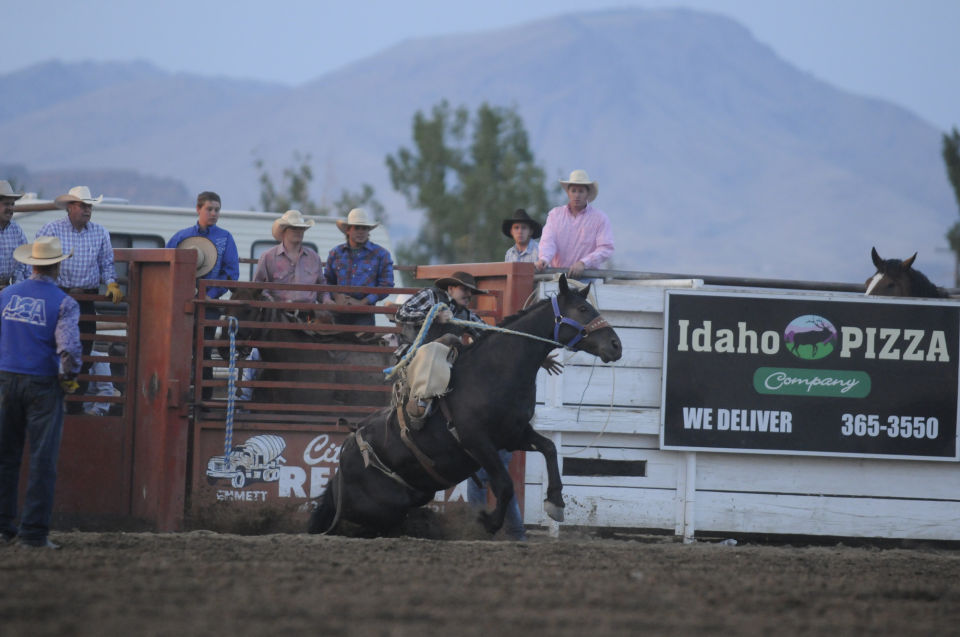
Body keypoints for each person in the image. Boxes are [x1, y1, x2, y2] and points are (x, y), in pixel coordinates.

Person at [0, 236, 81, 549]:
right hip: (43, 384)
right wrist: (69, 377)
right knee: (42, 459)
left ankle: (3, 527)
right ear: (57, 265)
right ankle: (33, 534)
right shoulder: (64, 302)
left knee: (5, 455)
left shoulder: (6, 295)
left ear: (31, 264)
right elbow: (69, 347)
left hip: (5, 379)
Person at [37, 186, 123, 411]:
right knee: (55, 347)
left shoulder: (99, 232)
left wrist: (111, 282)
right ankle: (55, 398)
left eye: (89, 206)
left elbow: (106, 262)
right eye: (83, 206)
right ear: (70, 207)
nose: (87, 210)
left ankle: (75, 401)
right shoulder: (51, 229)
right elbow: (37, 262)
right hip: (58, 294)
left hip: (85, 297)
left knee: (83, 349)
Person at [166, 191, 239, 400]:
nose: (214, 213)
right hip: (182, 303)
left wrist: (211, 293)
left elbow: (231, 273)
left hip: (210, 306)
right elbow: (167, 265)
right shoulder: (182, 237)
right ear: (198, 209)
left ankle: (203, 400)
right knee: (178, 349)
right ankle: (177, 397)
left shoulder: (225, 238)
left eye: (217, 209)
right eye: (209, 209)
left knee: (203, 352)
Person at [535, 169, 615, 278]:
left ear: (587, 194)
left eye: (581, 191)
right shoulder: (555, 215)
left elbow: (606, 248)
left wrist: (584, 263)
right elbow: (548, 241)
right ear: (568, 193)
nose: (577, 195)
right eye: (573, 190)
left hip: (587, 279)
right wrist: (544, 258)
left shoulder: (600, 219)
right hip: (558, 277)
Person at [323, 208, 394, 326]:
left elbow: (386, 285)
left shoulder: (381, 254)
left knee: (363, 340)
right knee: (335, 341)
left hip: (364, 312)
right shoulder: (335, 253)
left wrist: (363, 302)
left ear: (368, 231)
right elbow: (327, 280)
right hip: (338, 310)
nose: (361, 232)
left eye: (364, 228)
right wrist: (336, 296)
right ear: (348, 231)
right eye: (356, 228)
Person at [394, 271, 486, 349]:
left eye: (471, 291)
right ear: (450, 289)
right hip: (413, 353)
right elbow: (401, 314)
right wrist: (434, 316)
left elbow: (486, 333)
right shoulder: (430, 295)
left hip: (442, 360)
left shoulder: (467, 315)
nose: (469, 294)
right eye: (464, 289)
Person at [253, 209, 322, 303]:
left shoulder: (314, 258)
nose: (299, 231)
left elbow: (322, 287)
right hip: (277, 313)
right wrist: (270, 303)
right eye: (294, 228)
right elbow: (258, 288)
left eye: (301, 228)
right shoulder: (268, 257)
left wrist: (327, 300)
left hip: (309, 313)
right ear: (284, 231)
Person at [467, 450, 526, 541]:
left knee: (477, 481)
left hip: (484, 442)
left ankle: (480, 529)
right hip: (503, 444)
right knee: (503, 485)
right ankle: (516, 532)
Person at [0, 181, 30, 287]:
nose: (11, 208)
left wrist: (16, 288)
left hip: (7, 289)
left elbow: (23, 263)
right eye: (6, 204)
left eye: (12, 204)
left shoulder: (16, 230)